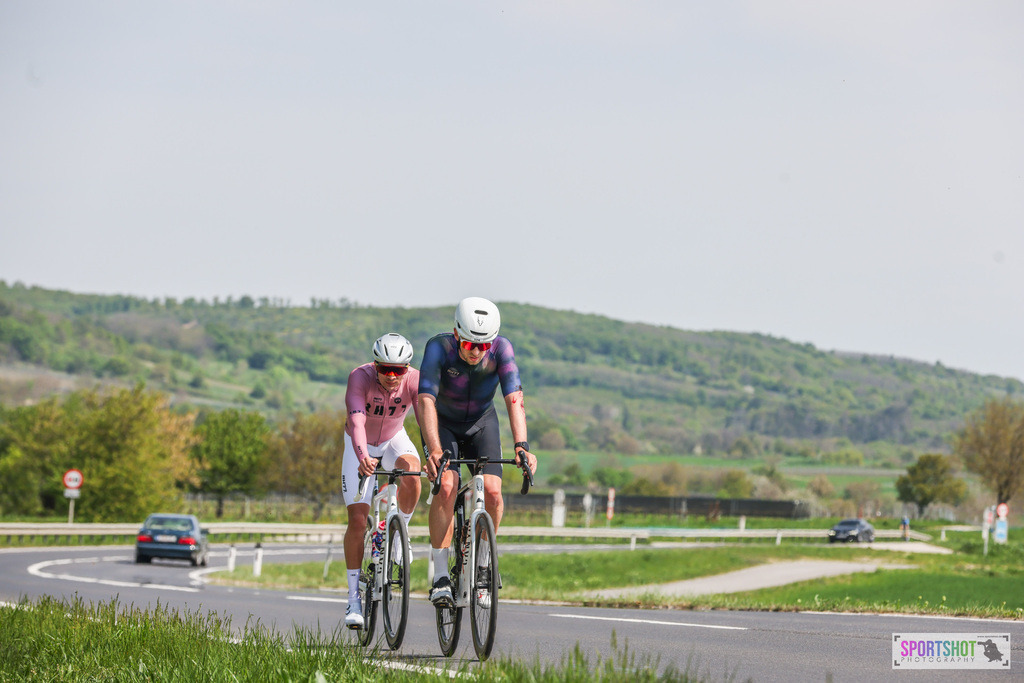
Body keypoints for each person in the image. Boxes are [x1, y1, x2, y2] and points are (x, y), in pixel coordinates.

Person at [419, 297, 538, 606]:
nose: (476, 352)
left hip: (482, 422)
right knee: (447, 485)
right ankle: (441, 575)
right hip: (443, 424)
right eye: (470, 344)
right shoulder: (439, 348)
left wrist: (522, 446)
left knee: (495, 493)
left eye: (483, 346)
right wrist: (433, 449)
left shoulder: (502, 349)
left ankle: (483, 569)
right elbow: (425, 401)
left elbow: (514, 397)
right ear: (457, 334)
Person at [341, 333, 422, 629]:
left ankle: (400, 532)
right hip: (358, 444)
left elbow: (426, 417)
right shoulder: (359, 378)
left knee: (413, 473)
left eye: (398, 370)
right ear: (375, 365)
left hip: (392, 440)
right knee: (358, 521)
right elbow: (358, 421)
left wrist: (433, 452)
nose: (391, 376)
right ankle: (353, 598)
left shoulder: (415, 379)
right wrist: (362, 455)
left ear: (407, 368)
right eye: (384, 368)